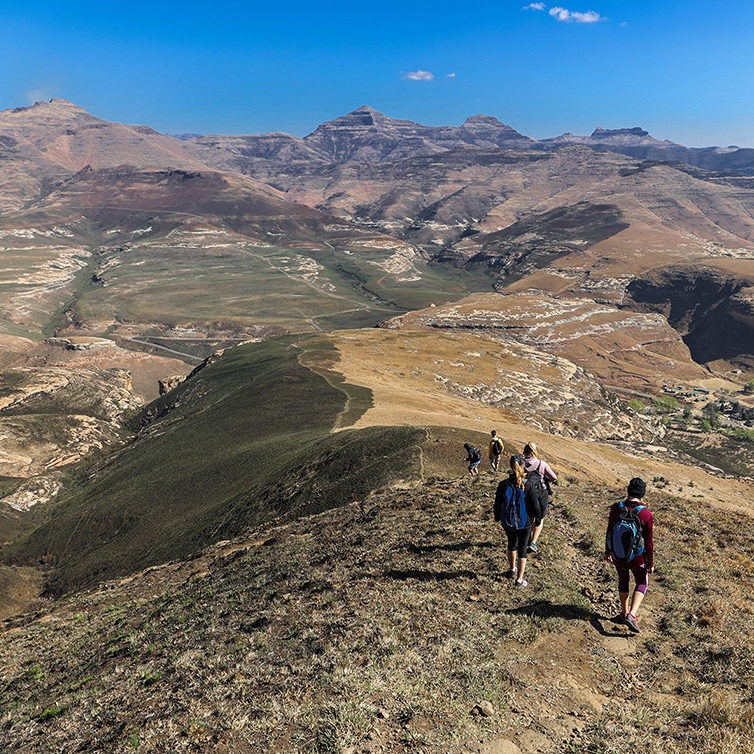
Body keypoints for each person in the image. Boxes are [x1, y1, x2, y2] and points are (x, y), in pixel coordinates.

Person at [604, 477, 655, 633]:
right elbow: (649, 543)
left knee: (623, 579)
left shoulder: (616, 508)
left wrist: (607, 551)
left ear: (628, 490)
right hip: (637, 558)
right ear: (642, 493)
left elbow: (609, 531)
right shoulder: (646, 514)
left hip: (618, 555)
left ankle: (624, 612)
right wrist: (650, 562)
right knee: (642, 581)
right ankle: (631, 615)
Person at [493, 454, 546, 587]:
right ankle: (519, 580)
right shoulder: (528, 485)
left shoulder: (503, 484)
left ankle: (512, 570)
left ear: (511, 467)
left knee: (511, 543)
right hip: (525, 522)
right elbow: (535, 505)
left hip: (508, 521)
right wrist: (538, 519)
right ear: (523, 466)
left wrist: (497, 517)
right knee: (522, 548)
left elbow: (497, 503)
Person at [523, 442, 557, 553]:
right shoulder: (541, 464)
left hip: (525, 494)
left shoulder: (520, 463)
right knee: (539, 518)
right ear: (535, 451)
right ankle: (533, 543)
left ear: (525, 451)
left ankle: (527, 540)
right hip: (540, 494)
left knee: (528, 517)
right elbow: (553, 477)